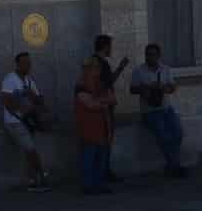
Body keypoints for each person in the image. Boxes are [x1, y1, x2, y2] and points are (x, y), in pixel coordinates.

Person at [129, 43, 187, 178]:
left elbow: (173, 87)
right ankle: (175, 166)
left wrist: (164, 88)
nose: (150, 57)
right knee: (164, 135)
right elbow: (132, 89)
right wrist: (146, 88)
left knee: (178, 132)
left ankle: (172, 164)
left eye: (153, 55)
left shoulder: (165, 69)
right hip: (149, 110)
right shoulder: (139, 71)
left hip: (165, 108)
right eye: (148, 55)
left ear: (158, 56)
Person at [0, 52, 49, 192]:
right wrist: (21, 109)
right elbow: (5, 100)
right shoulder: (10, 79)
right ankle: (42, 175)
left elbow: (40, 101)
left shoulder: (29, 81)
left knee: (29, 151)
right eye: (24, 63)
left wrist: (31, 95)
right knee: (31, 149)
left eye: (29, 63)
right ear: (18, 64)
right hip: (14, 121)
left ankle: (32, 181)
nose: (28, 66)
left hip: (27, 121)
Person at [73, 57, 117, 194]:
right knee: (89, 157)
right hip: (88, 127)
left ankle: (100, 184)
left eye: (97, 67)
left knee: (102, 157)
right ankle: (88, 186)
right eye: (93, 67)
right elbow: (90, 104)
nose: (96, 70)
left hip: (103, 126)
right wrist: (102, 102)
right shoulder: (81, 85)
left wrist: (99, 102)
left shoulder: (101, 84)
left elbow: (113, 99)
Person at [92, 34, 128, 182]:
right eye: (110, 46)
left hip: (98, 105)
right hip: (104, 106)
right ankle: (103, 171)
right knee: (105, 139)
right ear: (105, 46)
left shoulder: (94, 61)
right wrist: (121, 68)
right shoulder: (101, 63)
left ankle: (102, 171)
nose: (111, 49)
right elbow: (107, 82)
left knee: (102, 139)